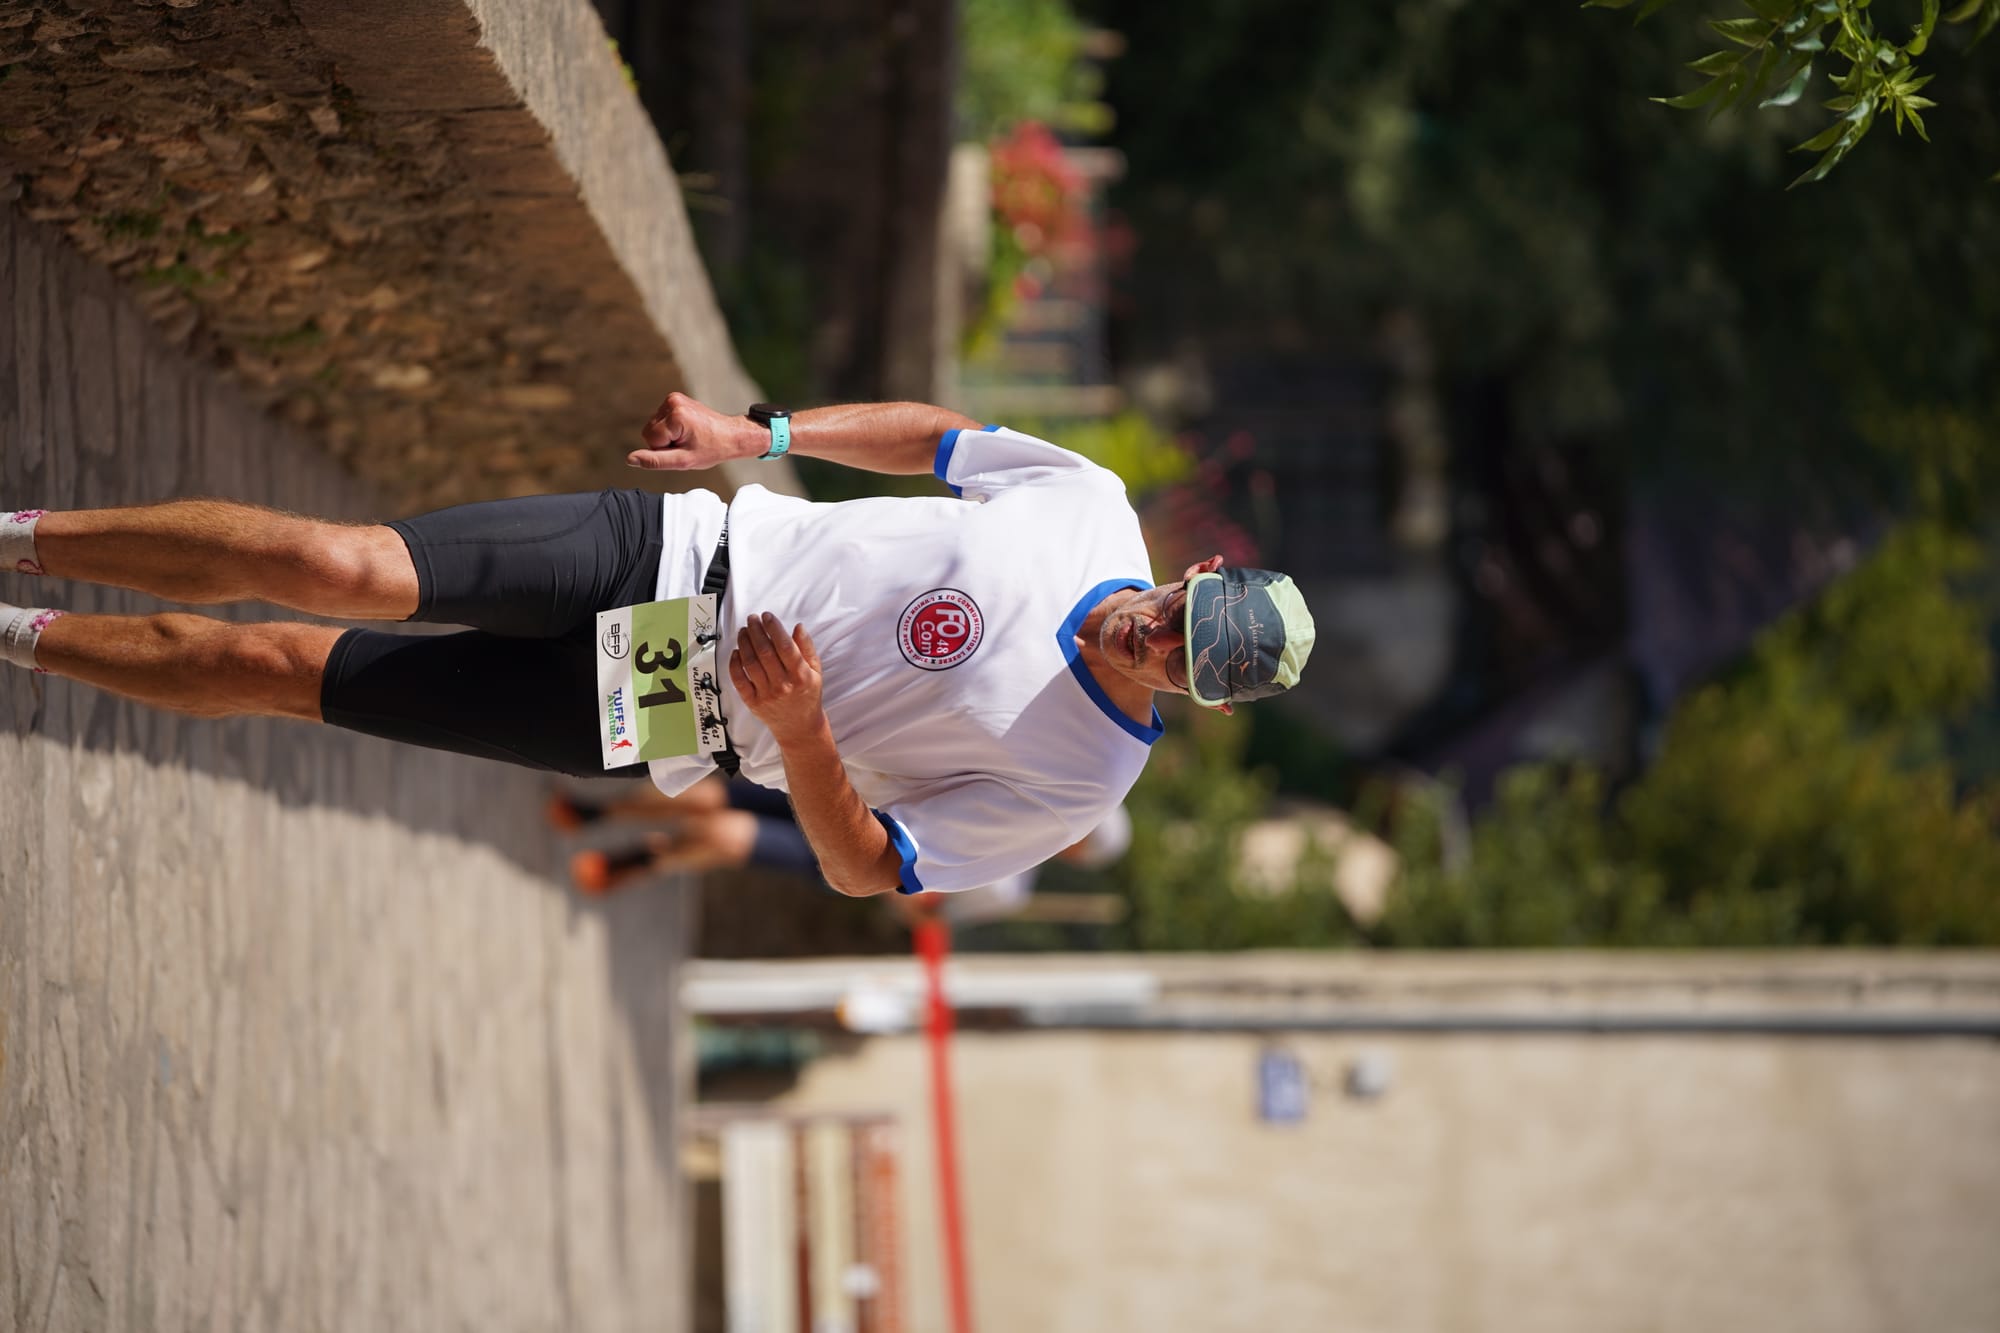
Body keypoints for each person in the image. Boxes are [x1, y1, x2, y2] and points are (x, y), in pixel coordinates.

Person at [1, 394, 1314, 899]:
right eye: (1181, 615)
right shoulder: (1086, 504)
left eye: (1182, 662)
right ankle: (21, 538)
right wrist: (769, 430)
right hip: (680, 552)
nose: (1155, 640)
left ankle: (21, 638)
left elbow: (867, 866)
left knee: (279, 674)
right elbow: (938, 440)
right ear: (1199, 575)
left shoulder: (1082, 782)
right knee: (336, 563)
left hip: (680, 706)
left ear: (1202, 701)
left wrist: (800, 738)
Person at [556, 776, 1133, 927]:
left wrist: (908, 893)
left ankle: (632, 864)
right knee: (706, 799)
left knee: (725, 834)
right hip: (847, 792)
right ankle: (598, 813)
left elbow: (917, 908)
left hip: (850, 851)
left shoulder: (1006, 887)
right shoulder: (1002, 791)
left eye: (1078, 836)